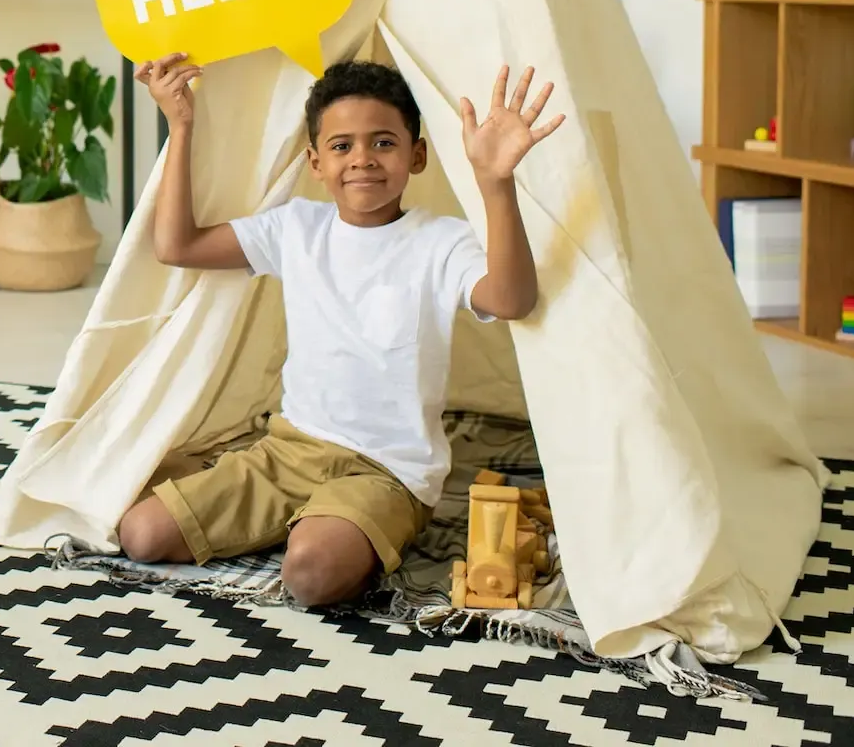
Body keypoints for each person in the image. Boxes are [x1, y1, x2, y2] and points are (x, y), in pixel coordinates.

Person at [114, 55, 564, 607]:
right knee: (141, 534)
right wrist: (180, 124)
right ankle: (303, 519)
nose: (363, 161)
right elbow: (176, 245)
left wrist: (496, 183)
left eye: (383, 143)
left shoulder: (440, 241)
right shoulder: (297, 228)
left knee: (309, 577)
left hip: (386, 471)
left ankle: (336, 528)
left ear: (416, 155)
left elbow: (511, 299)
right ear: (316, 161)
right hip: (287, 453)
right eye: (342, 146)